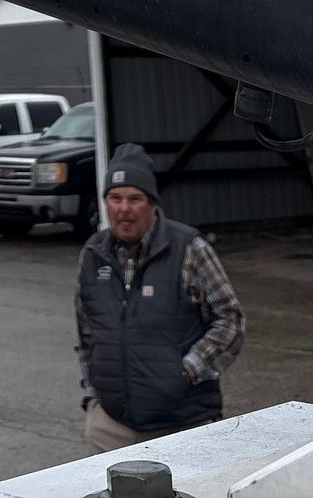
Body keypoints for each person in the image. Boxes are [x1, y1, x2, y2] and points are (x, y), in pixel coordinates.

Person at [73, 142, 246, 453]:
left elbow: (230, 321)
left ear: (152, 204)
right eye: (115, 198)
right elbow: (86, 332)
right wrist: (92, 394)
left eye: (134, 199)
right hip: (111, 427)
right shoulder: (93, 254)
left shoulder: (188, 248)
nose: (123, 209)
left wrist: (186, 371)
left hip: (182, 422)